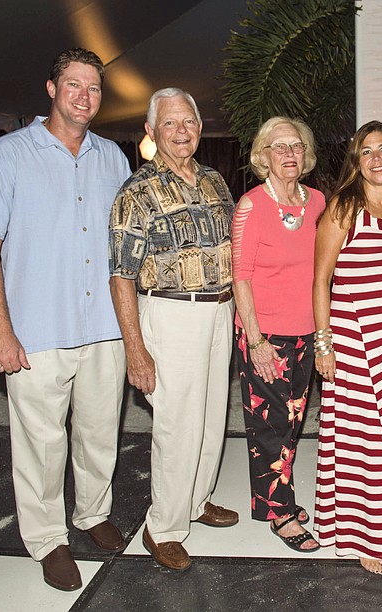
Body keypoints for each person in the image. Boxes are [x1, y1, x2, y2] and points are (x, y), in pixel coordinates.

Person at [0, 48, 130, 591]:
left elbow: (125, 248)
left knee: (101, 433)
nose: (85, 96)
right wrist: (0, 330)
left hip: (103, 323)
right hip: (36, 328)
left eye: (95, 88)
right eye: (74, 85)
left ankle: (92, 513)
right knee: (40, 442)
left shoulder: (114, 159)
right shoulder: (7, 155)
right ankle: (48, 539)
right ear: (52, 89)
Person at [109, 88, 239, 572]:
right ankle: (162, 527)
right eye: (169, 123)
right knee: (176, 423)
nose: (181, 130)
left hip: (218, 311)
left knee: (210, 417)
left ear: (200, 129)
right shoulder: (136, 191)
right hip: (169, 313)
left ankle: (196, 501)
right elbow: (120, 275)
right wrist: (135, 350)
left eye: (189, 121)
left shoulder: (213, 181)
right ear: (150, 131)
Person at [313, 121, 382, 574]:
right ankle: (365, 534)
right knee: (365, 440)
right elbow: (320, 279)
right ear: (356, 162)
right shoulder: (343, 207)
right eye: (366, 152)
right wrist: (324, 344)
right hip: (354, 335)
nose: (376, 159)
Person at [233, 116, 325, 552]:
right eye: (279, 147)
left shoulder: (318, 202)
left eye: (296, 147)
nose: (289, 154)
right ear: (262, 155)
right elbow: (241, 277)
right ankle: (280, 513)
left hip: (306, 333)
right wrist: (255, 340)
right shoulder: (251, 205)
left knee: (291, 423)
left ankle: (278, 493)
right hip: (266, 334)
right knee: (270, 427)